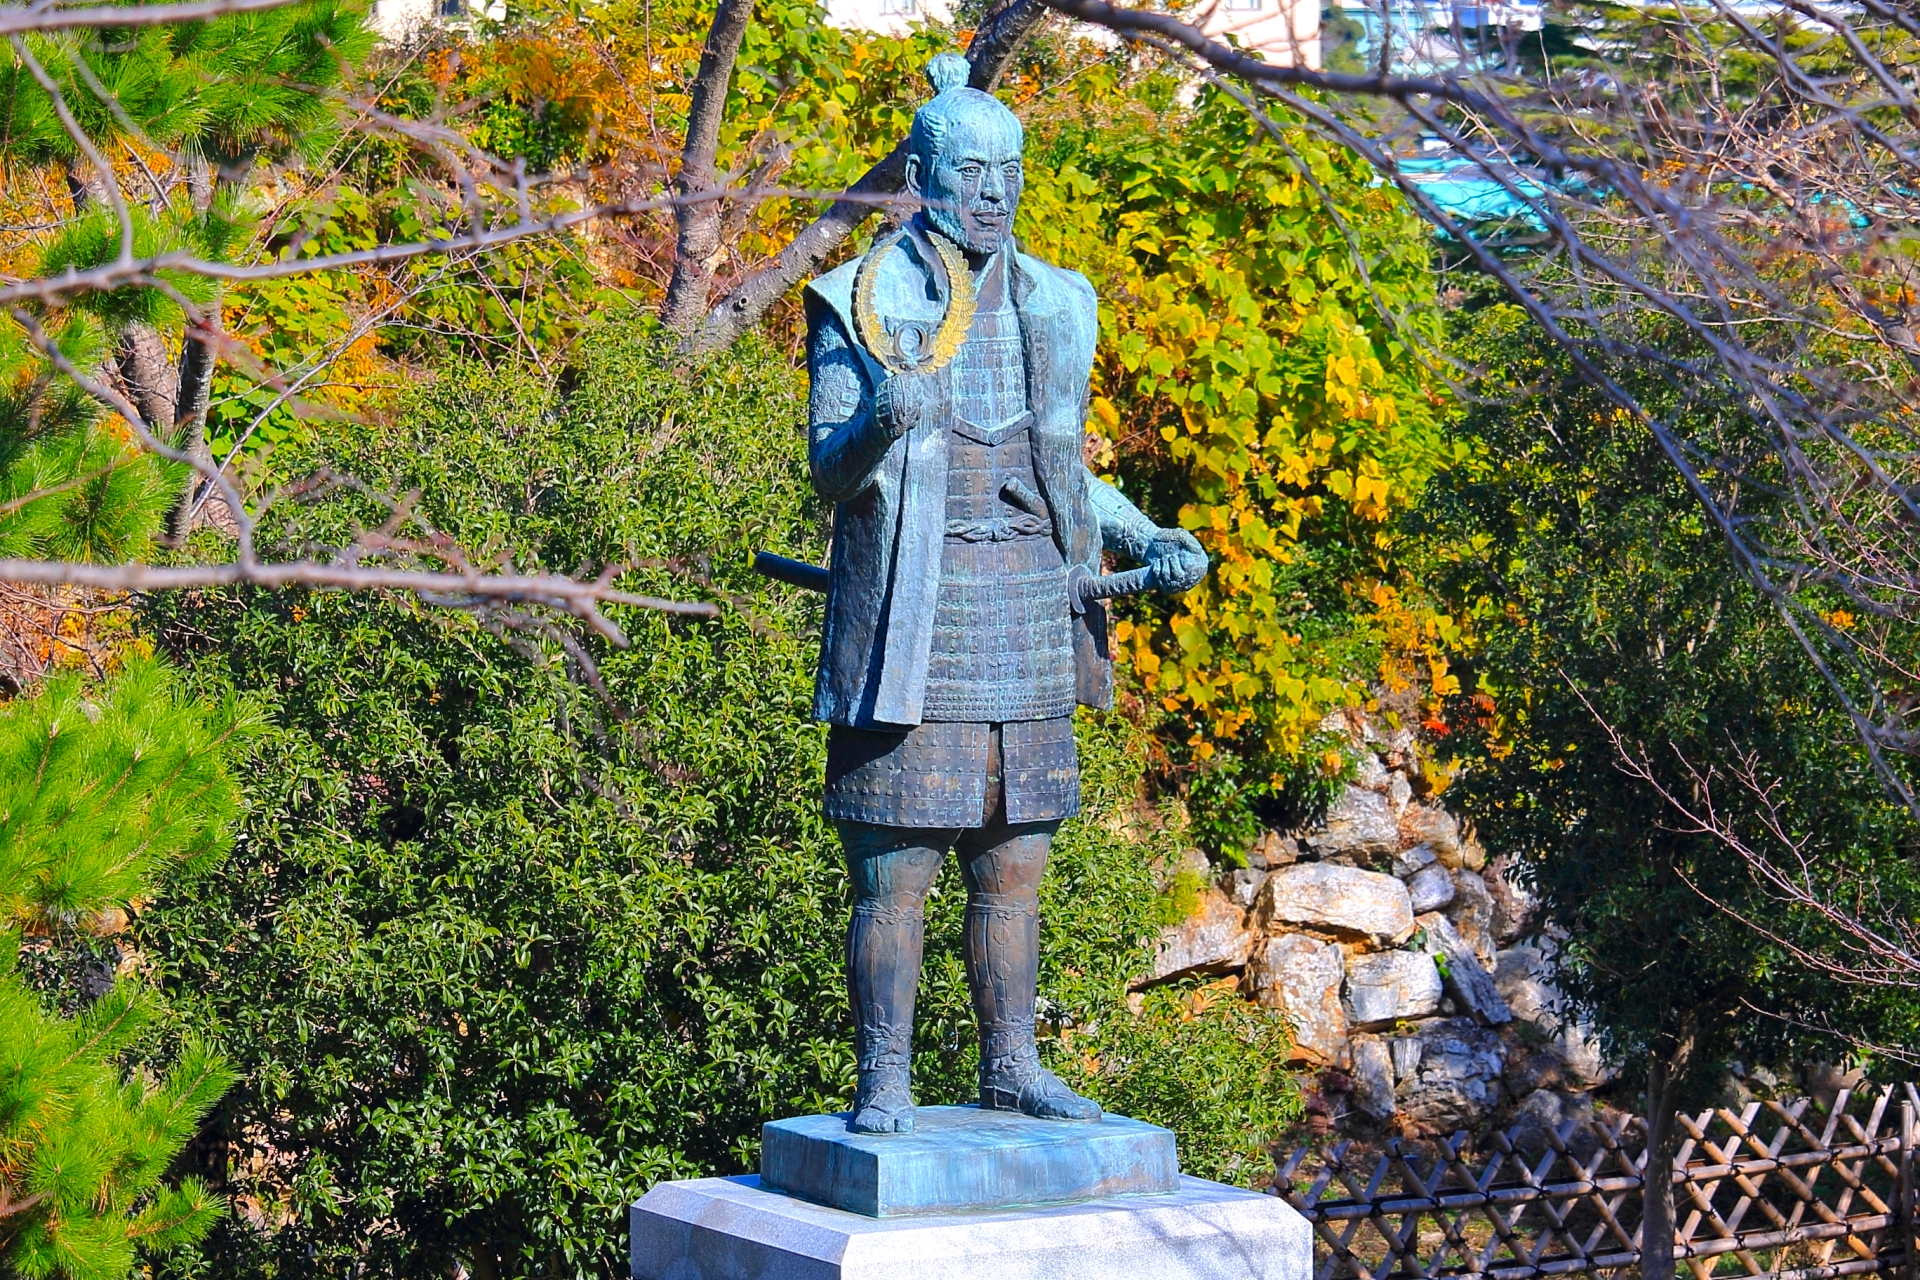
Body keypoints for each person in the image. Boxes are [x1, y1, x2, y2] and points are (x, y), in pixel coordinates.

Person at [802, 52, 1208, 1135]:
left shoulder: (1058, 302)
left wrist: (1144, 531)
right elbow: (829, 473)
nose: (994, 192)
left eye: (1010, 171)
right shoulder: (857, 298)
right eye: (973, 171)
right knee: (895, 863)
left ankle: (1012, 1065)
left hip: (1029, 601)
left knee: (1016, 860)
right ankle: (883, 1075)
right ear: (924, 175)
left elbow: (1064, 463)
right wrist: (885, 416)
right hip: (911, 614)